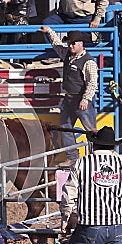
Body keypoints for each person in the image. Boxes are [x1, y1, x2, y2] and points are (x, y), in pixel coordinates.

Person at [40, 26, 98, 166]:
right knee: (66, 127)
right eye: (69, 43)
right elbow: (57, 45)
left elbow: (92, 83)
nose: (70, 45)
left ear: (81, 44)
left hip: (81, 99)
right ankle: (73, 157)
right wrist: (50, 32)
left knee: (90, 130)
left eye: (73, 43)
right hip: (69, 98)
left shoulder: (88, 61)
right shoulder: (68, 54)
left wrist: (85, 98)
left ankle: (96, 158)